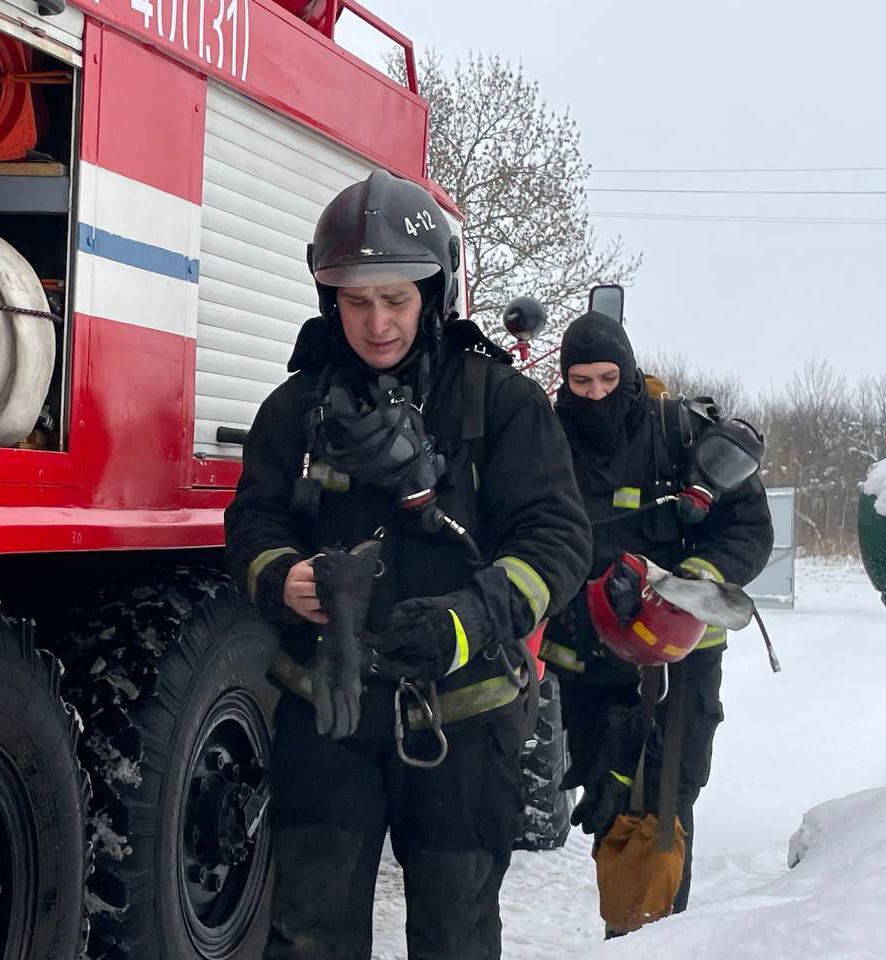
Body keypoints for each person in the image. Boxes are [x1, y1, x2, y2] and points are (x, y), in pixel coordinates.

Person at [224, 168, 591, 960]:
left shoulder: (501, 403)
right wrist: (281, 576)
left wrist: (471, 619)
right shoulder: (294, 409)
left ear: (433, 291)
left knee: (455, 937)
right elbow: (252, 521)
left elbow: (558, 539)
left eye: (395, 299)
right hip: (327, 719)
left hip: (464, 726)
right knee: (309, 936)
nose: (378, 323)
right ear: (330, 301)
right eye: (356, 302)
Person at [540, 310, 774, 930]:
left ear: (630, 370)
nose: (596, 395)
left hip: (681, 661)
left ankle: (658, 937)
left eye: (608, 379)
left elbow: (749, 529)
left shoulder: (681, 434)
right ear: (565, 380)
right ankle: (628, 933)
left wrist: (689, 582)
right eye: (581, 382)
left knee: (667, 801)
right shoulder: (545, 441)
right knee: (611, 798)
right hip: (589, 657)